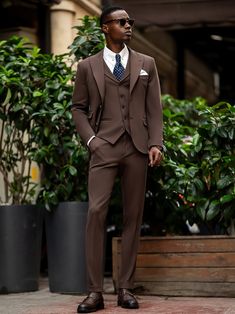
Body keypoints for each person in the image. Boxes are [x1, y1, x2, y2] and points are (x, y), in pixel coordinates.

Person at [71, 5, 163, 313]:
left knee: (132, 217)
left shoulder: (146, 62)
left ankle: (125, 288)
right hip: (104, 147)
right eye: (121, 22)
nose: (128, 26)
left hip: (137, 148)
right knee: (96, 213)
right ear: (105, 28)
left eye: (130, 22)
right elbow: (78, 108)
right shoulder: (87, 66)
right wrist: (92, 140)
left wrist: (155, 143)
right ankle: (95, 292)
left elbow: (154, 109)